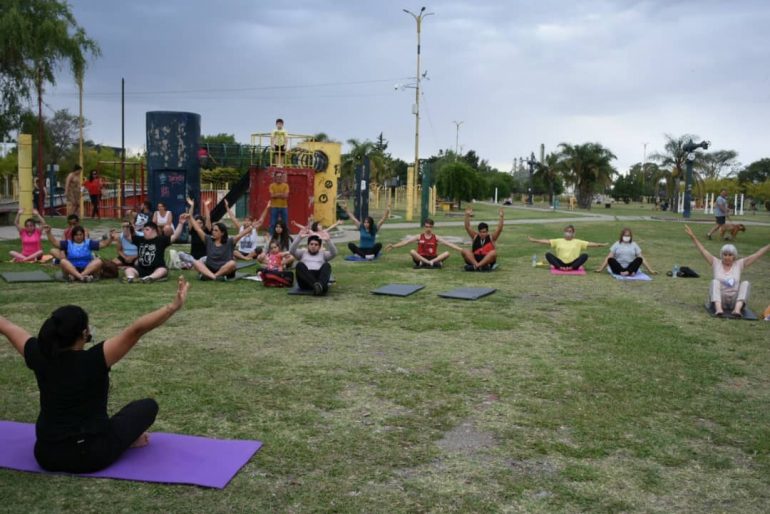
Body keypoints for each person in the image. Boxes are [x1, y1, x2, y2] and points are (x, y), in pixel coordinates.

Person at [0, 276, 189, 473]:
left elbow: (6, 326)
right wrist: (173, 306)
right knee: (147, 407)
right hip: (91, 454)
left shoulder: (38, 354)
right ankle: (125, 442)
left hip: (46, 454)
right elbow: (136, 330)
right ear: (83, 334)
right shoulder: (94, 359)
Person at [684, 225, 769, 318]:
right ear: (722, 255)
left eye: (730, 255)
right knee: (714, 282)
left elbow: (757, 254)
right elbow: (702, 250)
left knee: (745, 283)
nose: (727, 257)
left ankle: (737, 309)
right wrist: (693, 236)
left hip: (734, 300)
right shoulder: (716, 263)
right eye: (725, 254)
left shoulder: (739, 264)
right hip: (720, 299)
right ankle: (719, 309)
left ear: (734, 256)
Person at [122, 219, 186, 283]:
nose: (144, 232)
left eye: (147, 229)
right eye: (143, 230)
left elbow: (175, 236)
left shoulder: (161, 240)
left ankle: (150, 278)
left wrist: (180, 223)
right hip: (141, 268)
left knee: (163, 270)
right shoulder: (140, 240)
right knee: (129, 269)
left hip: (156, 268)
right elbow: (127, 236)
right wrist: (126, 227)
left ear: (154, 230)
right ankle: (130, 278)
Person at [188, 214, 249, 281]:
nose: (213, 232)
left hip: (224, 269)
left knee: (232, 263)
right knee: (196, 262)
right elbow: (198, 229)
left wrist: (251, 227)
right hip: (210, 268)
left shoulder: (229, 241)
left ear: (222, 233)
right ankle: (214, 276)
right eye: (213, 230)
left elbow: (241, 234)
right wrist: (190, 217)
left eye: (216, 230)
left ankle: (214, 276)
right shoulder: (208, 240)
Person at [44, 224, 113, 282]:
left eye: (80, 235)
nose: (79, 237)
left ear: (83, 235)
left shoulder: (88, 243)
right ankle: (82, 277)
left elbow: (104, 244)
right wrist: (48, 232)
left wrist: (111, 238)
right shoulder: (68, 243)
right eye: (76, 235)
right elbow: (55, 243)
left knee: (98, 261)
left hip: (87, 269)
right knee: (63, 261)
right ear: (73, 236)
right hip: (72, 268)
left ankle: (78, 276)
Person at [385, 218, 462, 269]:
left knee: (447, 253)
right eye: (426, 226)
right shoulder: (419, 236)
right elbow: (406, 242)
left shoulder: (436, 237)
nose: (428, 228)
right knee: (412, 251)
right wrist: (393, 246)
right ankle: (429, 263)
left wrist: (461, 249)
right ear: (424, 226)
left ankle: (428, 263)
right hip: (420, 258)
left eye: (429, 227)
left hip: (432, 257)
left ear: (432, 227)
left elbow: (449, 244)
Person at [527, 225, 607, 271]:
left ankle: (571, 268)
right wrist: (534, 240)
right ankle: (560, 267)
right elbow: (546, 241)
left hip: (573, 263)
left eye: (570, 231)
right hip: (560, 263)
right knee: (548, 254)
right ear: (564, 232)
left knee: (585, 255)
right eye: (566, 231)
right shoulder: (558, 240)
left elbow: (590, 244)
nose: (568, 233)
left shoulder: (578, 241)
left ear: (573, 233)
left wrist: (601, 244)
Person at [289, 228, 338, 295]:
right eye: (311, 244)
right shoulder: (303, 253)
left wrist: (328, 240)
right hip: (305, 281)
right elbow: (291, 251)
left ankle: (318, 286)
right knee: (299, 265)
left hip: (318, 278)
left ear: (319, 246)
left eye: (316, 245)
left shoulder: (323, 254)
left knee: (327, 265)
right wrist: (299, 238)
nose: (313, 246)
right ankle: (317, 286)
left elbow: (334, 253)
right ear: (308, 245)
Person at [268, 169, 290, 235]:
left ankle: (285, 236)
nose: (279, 178)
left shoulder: (286, 185)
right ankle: (272, 236)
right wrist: (281, 194)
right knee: (273, 223)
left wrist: (276, 194)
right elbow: (272, 196)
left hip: (284, 206)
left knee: (285, 223)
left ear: (282, 177)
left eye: (280, 176)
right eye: (277, 176)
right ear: (275, 177)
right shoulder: (271, 185)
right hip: (274, 206)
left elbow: (286, 196)